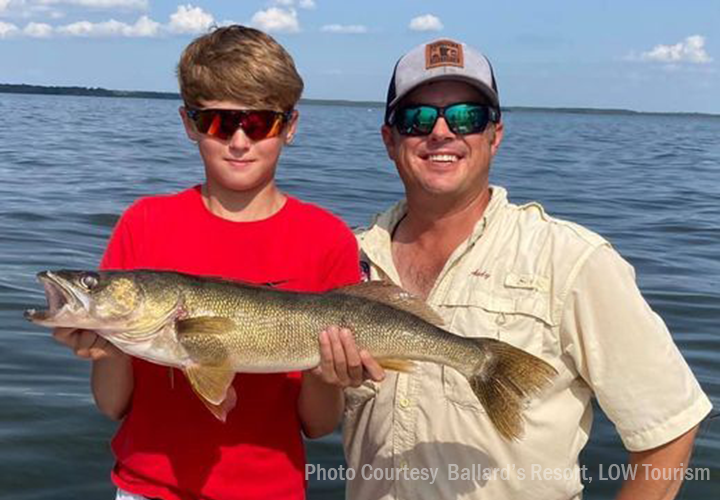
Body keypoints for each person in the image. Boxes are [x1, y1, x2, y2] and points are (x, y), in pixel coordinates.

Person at [334, 39, 713, 500]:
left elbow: (668, 430)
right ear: (390, 140)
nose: (441, 133)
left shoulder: (570, 260)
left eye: (466, 116)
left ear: (495, 135)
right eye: (416, 119)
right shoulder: (342, 257)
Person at [51, 25, 375, 500]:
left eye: (260, 122)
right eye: (219, 122)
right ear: (189, 123)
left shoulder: (326, 238)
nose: (240, 141)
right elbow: (111, 404)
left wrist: (328, 374)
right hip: (147, 487)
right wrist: (107, 346)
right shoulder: (144, 223)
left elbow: (319, 424)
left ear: (290, 126)